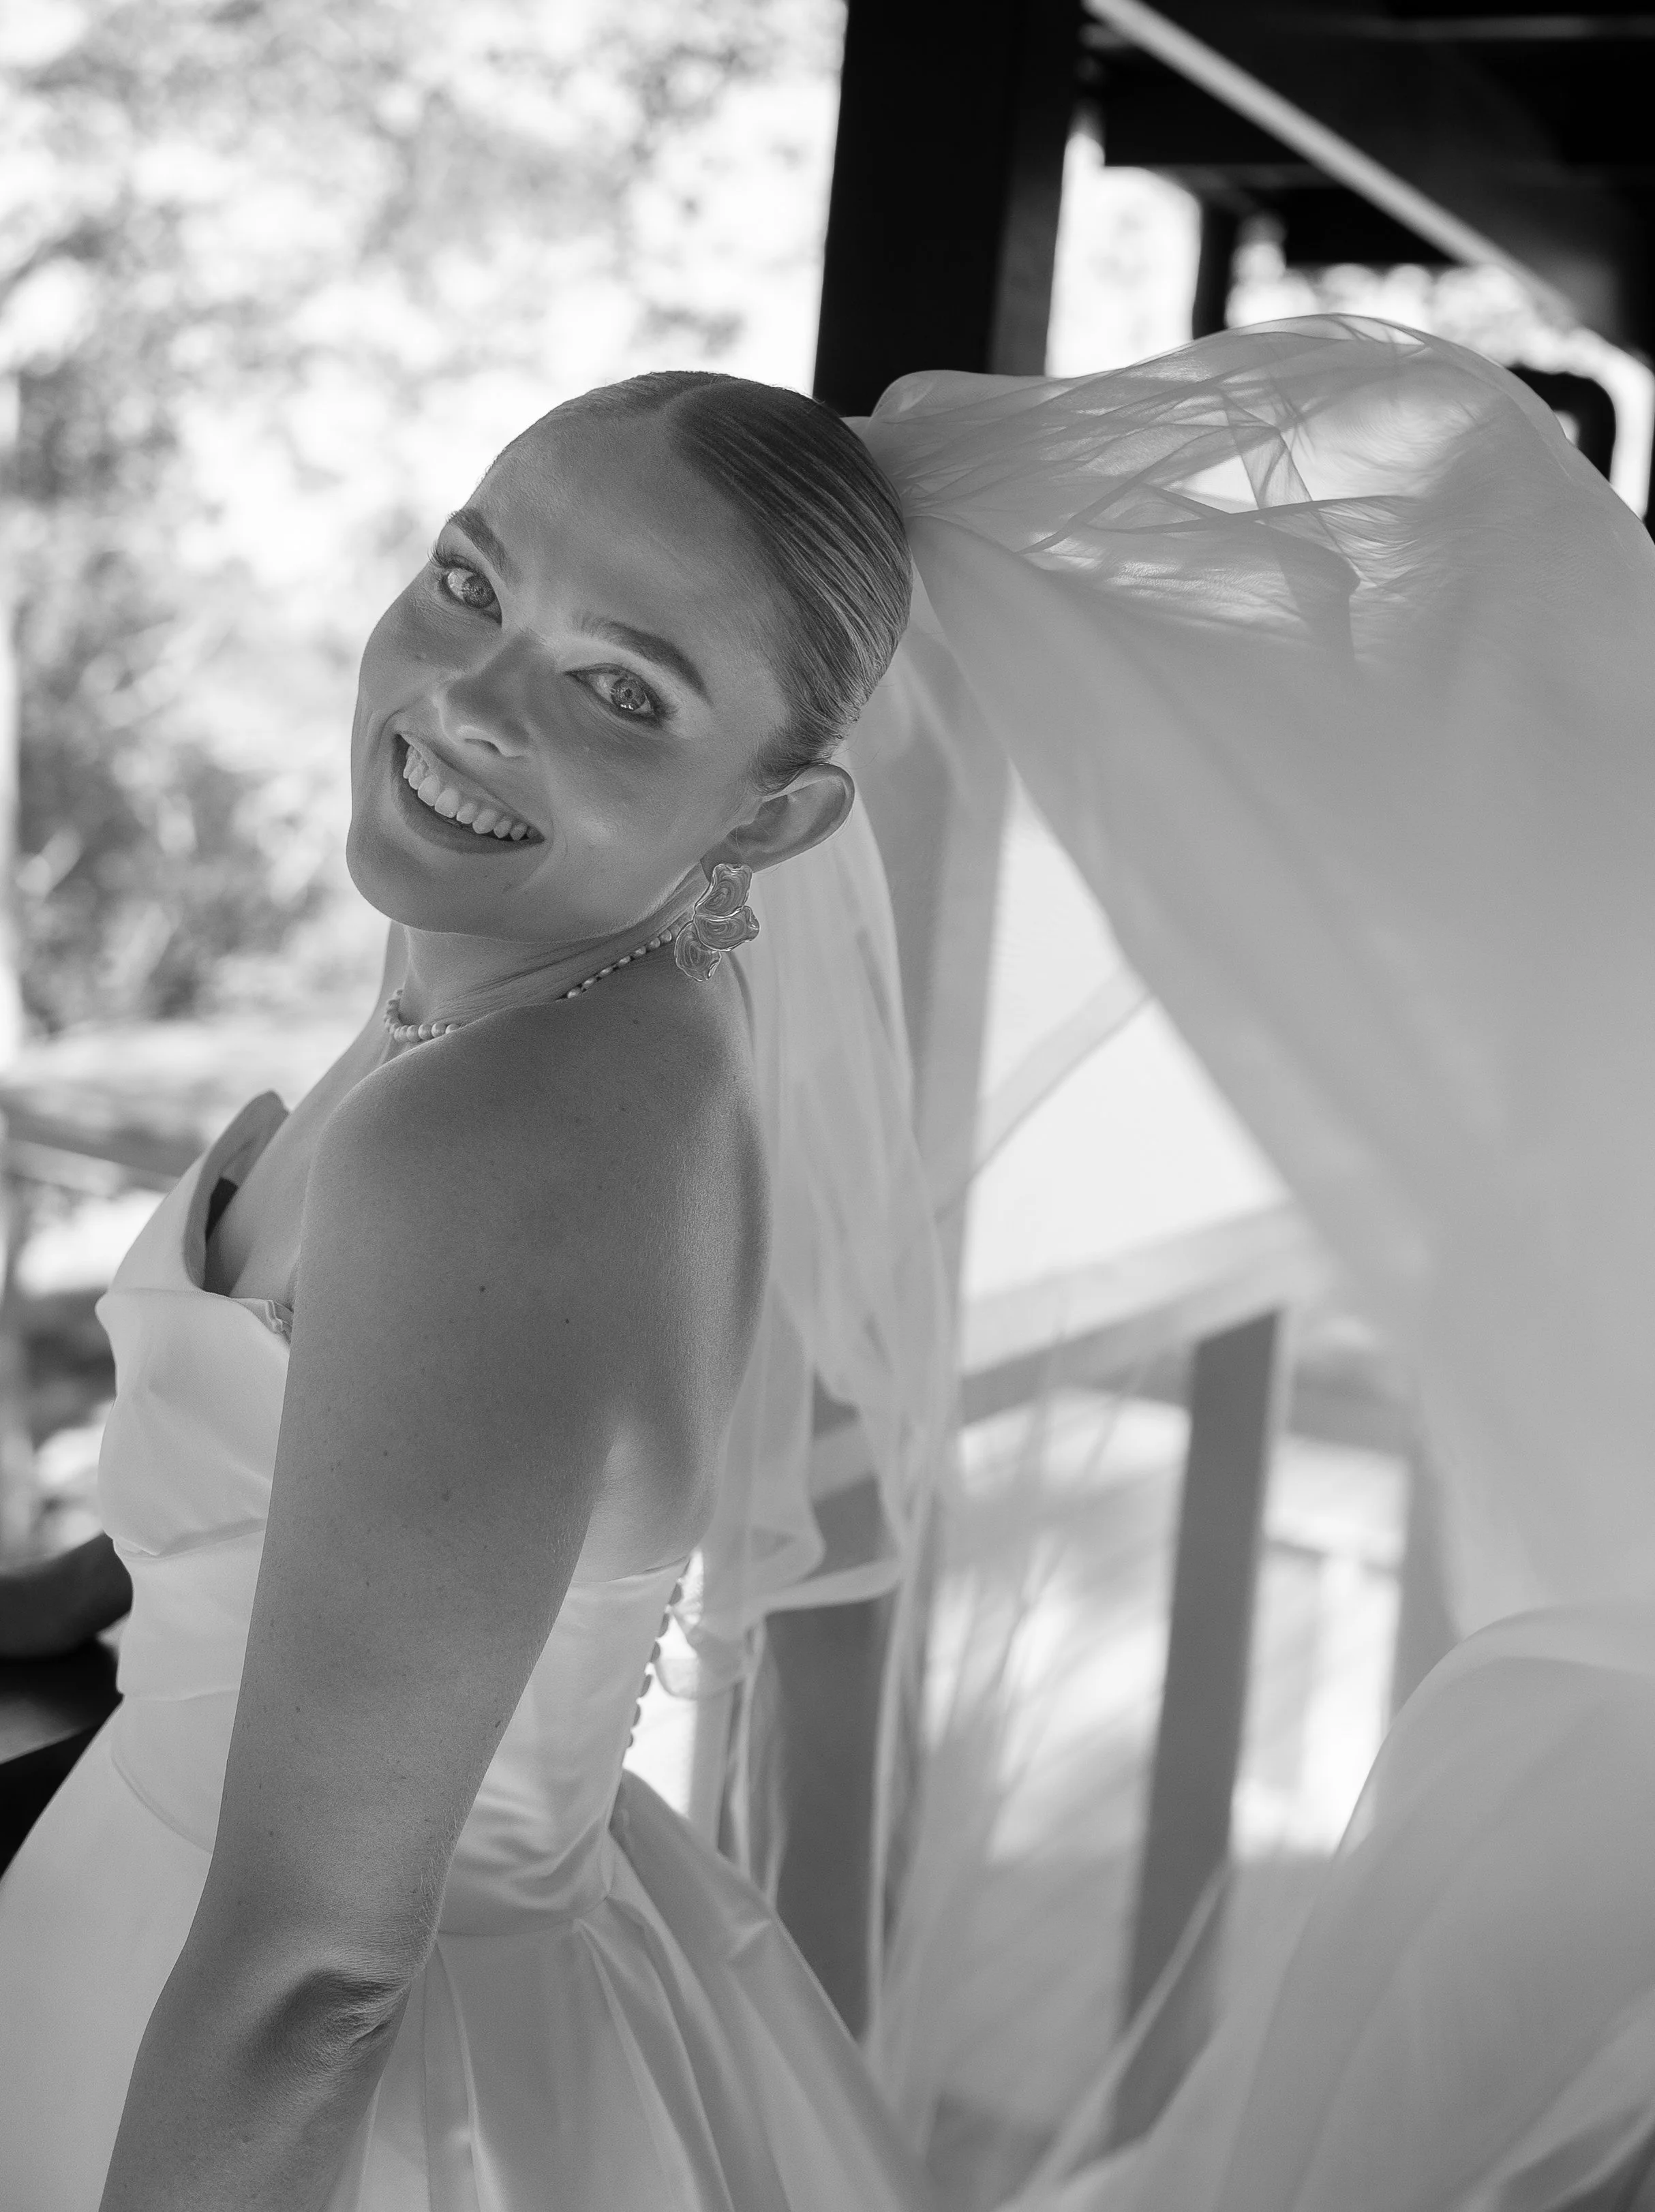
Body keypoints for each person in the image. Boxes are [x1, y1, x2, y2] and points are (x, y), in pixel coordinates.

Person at [0, 370, 943, 2210]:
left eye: (620, 687)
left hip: (288, 2092)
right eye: (468, 582)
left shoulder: (510, 1143)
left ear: (770, 820)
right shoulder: (510, 967)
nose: (470, 697)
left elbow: (315, 1968)